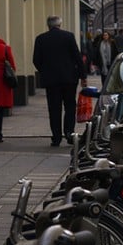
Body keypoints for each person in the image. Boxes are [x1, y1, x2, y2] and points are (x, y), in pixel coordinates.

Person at [32, 15, 86, 147]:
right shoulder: (68, 36)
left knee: (54, 109)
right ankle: (69, 133)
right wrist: (83, 76)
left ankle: (56, 137)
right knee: (70, 106)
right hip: (69, 79)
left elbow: (36, 60)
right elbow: (77, 57)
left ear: (48, 25)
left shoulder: (41, 38)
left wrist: (45, 70)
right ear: (59, 24)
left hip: (51, 80)